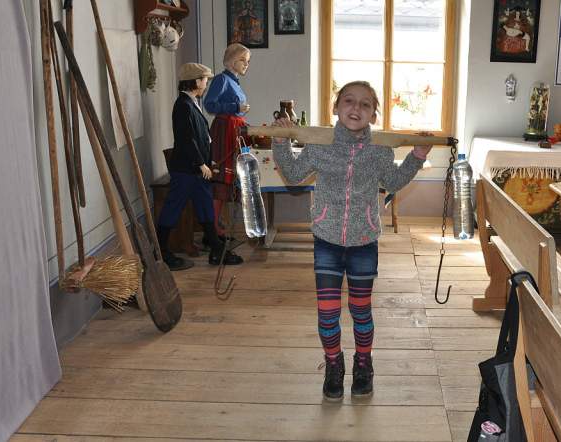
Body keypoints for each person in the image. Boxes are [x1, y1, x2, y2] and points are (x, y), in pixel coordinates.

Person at [271, 81, 433, 401]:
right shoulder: (320, 144)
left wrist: (417, 155)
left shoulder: (379, 149)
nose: (356, 108)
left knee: (361, 310)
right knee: (327, 313)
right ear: (335, 107)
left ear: (374, 115)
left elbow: (393, 181)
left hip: (363, 241)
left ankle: (363, 363)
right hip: (327, 240)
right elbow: (293, 174)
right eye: (348, 101)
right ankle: (334, 363)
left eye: (365, 104)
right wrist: (280, 142)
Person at [156, 63, 243, 271]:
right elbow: (186, 140)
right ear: (195, 81)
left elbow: (201, 138)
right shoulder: (183, 106)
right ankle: (160, 253)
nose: (206, 84)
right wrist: (200, 163)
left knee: (205, 208)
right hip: (186, 170)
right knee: (173, 209)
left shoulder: (191, 103)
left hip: (197, 170)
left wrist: (208, 161)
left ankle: (216, 250)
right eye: (204, 80)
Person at [203, 43, 251, 239]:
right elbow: (209, 104)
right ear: (232, 61)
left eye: (248, 61)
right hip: (225, 131)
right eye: (243, 60)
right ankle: (213, 227)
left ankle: (218, 222)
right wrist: (235, 107)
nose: (246, 64)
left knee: (228, 179)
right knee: (222, 177)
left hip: (234, 129)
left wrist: (239, 111)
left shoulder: (234, 81)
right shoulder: (221, 79)